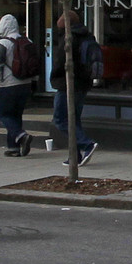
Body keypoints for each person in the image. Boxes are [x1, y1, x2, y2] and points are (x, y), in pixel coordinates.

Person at [50, 12, 103, 165]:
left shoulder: (69, 38)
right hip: (83, 83)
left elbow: (60, 62)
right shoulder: (87, 35)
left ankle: (86, 144)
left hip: (67, 84)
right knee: (73, 119)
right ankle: (75, 156)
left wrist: (54, 77)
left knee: (60, 119)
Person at [0, 14, 36, 157]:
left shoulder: (3, 43)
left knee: (2, 114)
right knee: (16, 115)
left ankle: (21, 136)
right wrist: (34, 81)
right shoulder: (28, 41)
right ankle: (13, 147)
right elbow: (33, 64)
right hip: (26, 84)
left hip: (8, 84)